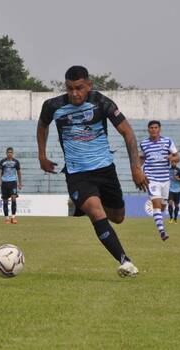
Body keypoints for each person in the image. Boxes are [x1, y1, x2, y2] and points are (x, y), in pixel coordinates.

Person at [37, 65, 148, 278]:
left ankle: (79, 206)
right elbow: (42, 126)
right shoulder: (53, 106)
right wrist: (41, 155)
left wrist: (135, 168)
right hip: (78, 173)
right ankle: (125, 261)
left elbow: (127, 132)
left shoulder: (101, 102)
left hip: (105, 170)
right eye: (69, 88)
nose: (74, 93)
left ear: (89, 85)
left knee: (118, 217)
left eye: (79, 88)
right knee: (96, 211)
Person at [139, 120, 180, 241]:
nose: (153, 130)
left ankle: (160, 220)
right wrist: (137, 169)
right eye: (151, 128)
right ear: (148, 130)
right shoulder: (144, 144)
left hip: (165, 179)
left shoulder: (167, 141)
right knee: (156, 204)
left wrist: (172, 157)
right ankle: (162, 231)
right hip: (151, 178)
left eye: (156, 127)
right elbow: (142, 158)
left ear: (159, 129)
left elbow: (178, 157)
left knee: (163, 206)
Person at [0, 147, 23, 224]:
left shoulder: (16, 162)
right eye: (8, 152)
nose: (9, 153)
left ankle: (13, 217)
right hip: (5, 182)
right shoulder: (2, 161)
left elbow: (19, 172)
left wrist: (20, 183)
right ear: (6, 153)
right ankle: (7, 218)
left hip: (13, 182)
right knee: (5, 201)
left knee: (14, 199)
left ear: (13, 153)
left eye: (11, 152)